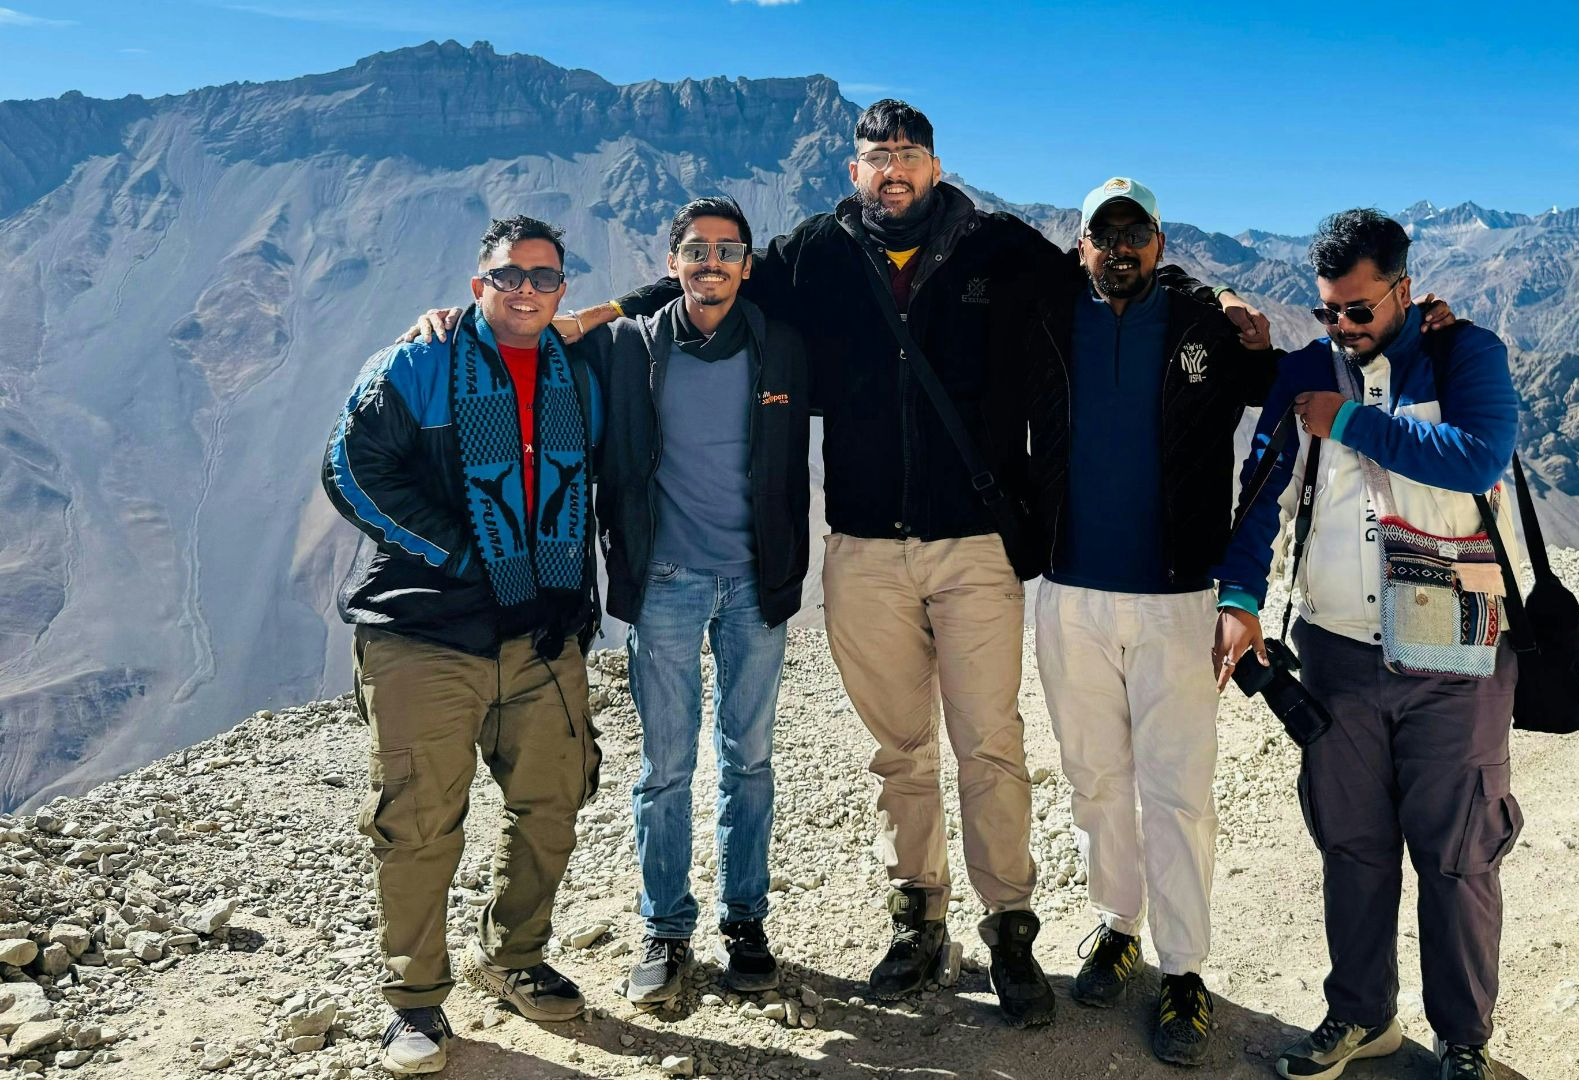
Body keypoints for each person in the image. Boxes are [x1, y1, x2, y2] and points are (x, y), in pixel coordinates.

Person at [406, 100, 1268, 1028]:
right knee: (899, 747)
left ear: (935, 164)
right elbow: (706, 280)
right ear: (851, 170)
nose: (892, 169)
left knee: (989, 742)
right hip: (861, 544)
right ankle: (919, 915)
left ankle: (1009, 928)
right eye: (876, 156)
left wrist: (1209, 299)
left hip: (975, 542)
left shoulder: (997, 248)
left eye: (909, 154)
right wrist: (592, 316)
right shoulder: (816, 252)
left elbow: (1106, 273)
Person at [1211, 209, 1522, 1080]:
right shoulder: (1308, 371)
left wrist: (1347, 423)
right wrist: (1239, 599)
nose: (1343, 329)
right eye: (1327, 313)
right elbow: (1261, 486)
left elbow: (1475, 456)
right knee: (1350, 843)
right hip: (1339, 649)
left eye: (1359, 311)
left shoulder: (1466, 356)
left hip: (1459, 652)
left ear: (1403, 289)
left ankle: (1466, 1042)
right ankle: (1361, 1017)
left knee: (1458, 855)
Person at [322, 215, 604, 1076]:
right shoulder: (416, 363)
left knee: (555, 799)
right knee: (418, 820)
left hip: (540, 630)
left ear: (563, 288)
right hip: (424, 633)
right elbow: (351, 469)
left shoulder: (576, 373)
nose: (525, 289)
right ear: (477, 283)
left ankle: (514, 955)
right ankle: (414, 1001)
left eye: (544, 276)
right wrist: (462, 551)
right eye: (508, 275)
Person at [1004, 176, 1275, 1064]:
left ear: (1161, 241)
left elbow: (1281, 398)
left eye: (1137, 234)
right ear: (1079, 245)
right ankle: (1118, 926)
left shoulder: (1202, 327)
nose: (1119, 249)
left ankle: (1185, 971)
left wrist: (1228, 301)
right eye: (1102, 235)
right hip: (1070, 593)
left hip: (1178, 599)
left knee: (1178, 794)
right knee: (1092, 779)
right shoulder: (1047, 318)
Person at [568, 197, 810, 1007]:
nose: (712, 263)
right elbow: (523, 347)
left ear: (748, 262)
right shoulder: (631, 348)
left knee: (750, 763)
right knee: (666, 769)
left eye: (727, 250)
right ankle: (666, 929)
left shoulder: (781, 346)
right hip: (666, 580)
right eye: (696, 251)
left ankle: (746, 923)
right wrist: (445, 322)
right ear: (669, 262)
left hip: (755, 582)